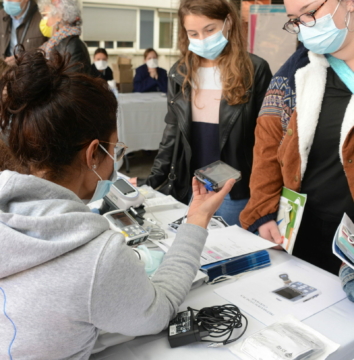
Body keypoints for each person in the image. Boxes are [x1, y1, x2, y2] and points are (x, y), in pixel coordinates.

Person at [0, 49, 236, 359]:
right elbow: (158, 310)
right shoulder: (96, 257)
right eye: (116, 149)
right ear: (93, 154)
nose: (117, 158)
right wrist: (197, 217)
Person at [130, 0, 272, 227]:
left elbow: (267, 141)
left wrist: (265, 197)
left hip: (232, 190)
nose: (203, 39)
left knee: (227, 252)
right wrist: (153, 179)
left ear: (228, 22)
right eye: (193, 33)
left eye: (210, 29)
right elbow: (172, 133)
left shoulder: (254, 70)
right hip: (190, 186)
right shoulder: (180, 72)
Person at [240, 0, 354, 277]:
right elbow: (267, 144)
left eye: (310, 12)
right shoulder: (295, 72)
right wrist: (264, 210)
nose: (304, 26)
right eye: (295, 19)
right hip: (305, 231)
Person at [38, 0, 91, 74]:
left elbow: (73, 83)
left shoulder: (73, 46)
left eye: (45, 15)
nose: (43, 20)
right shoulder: (54, 43)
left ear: (59, 16)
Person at [0, 0, 47, 64]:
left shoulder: (43, 17)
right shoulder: (1, 16)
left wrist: (24, 58)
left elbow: (52, 50)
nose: (7, 1)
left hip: (32, 71)